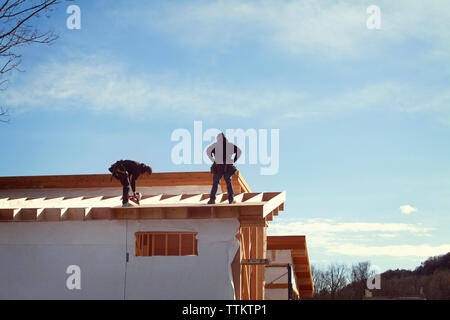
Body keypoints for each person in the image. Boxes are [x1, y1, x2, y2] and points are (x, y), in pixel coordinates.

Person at [206, 133, 242, 204]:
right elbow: (239, 151)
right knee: (228, 183)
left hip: (218, 166)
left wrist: (213, 160)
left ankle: (212, 199)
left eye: (218, 138)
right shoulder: (229, 145)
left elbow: (208, 151)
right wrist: (234, 160)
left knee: (215, 183)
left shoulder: (216, 145)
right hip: (227, 166)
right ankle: (231, 200)